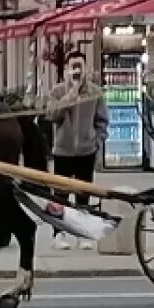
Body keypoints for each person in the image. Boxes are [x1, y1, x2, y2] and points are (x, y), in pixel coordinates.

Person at [45, 52, 109, 250]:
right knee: (60, 195)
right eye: (73, 66)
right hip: (63, 151)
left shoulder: (95, 92)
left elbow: (102, 121)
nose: (77, 71)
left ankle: (83, 234)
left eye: (80, 66)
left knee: (83, 194)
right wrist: (70, 95)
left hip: (86, 151)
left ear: (86, 68)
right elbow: (52, 115)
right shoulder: (57, 92)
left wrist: (97, 142)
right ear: (66, 69)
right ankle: (59, 232)